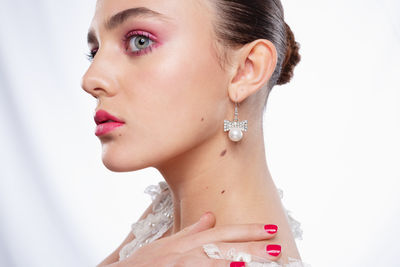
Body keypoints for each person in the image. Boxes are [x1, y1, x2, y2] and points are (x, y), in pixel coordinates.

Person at [81, 0, 303, 266]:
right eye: (95, 52)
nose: (91, 79)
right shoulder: (174, 216)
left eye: (140, 41)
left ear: (246, 71)